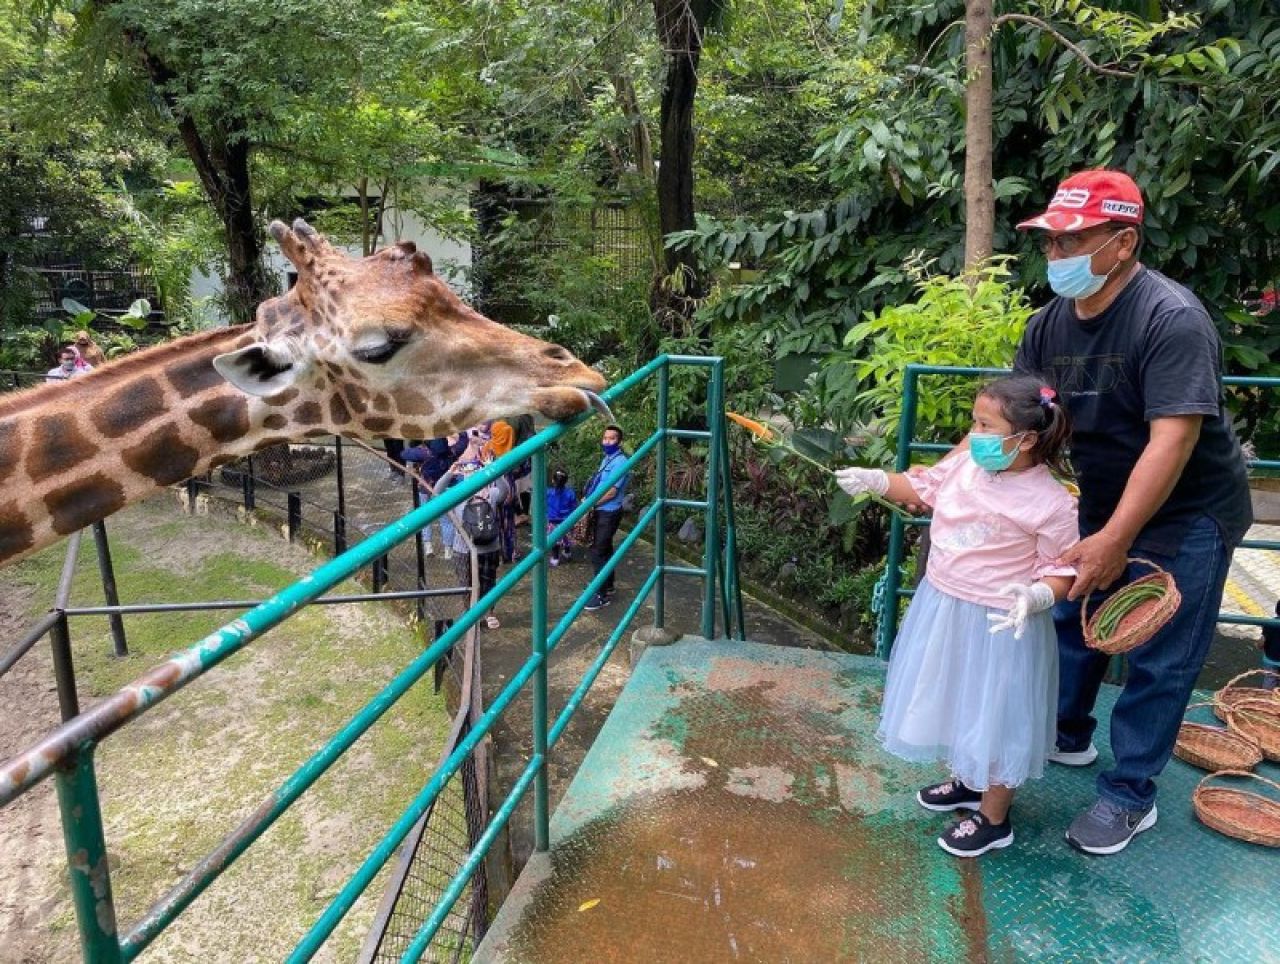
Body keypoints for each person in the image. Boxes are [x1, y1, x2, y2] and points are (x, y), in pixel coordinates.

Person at [1014, 169, 1252, 855]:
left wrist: (1117, 538)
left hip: (1190, 510)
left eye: (1072, 241)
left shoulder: (1171, 318)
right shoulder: (1047, 325)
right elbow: (1024, 418)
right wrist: (957, 484)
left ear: (1122, 243)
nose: (1056, 255)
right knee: (1072, 618)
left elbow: (1172, 440)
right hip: (1102, 496)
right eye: (1049, 242)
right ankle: (1068, 733)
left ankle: (1129, 794)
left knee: (1160, 651)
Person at [836, 375, 1078, 857]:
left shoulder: (1052, 502)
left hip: (1000, 622)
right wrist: (877, 480)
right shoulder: (967, 464)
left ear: (1026, 439)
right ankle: (969, 782)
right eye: (975, 422)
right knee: (957, 699)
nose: (975, 434)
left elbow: (1062, 569)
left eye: (986, 426)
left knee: (997, 715)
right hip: (945, 606)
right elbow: (923, 486)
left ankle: (994, 818)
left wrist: (1035, 597)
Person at [438, 458, 507, 630]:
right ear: (463, 474)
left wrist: (493, 469)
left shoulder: (491, 493)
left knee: (488, 582)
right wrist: (450, 473)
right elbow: (436, 493)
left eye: (474, 470)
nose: (471, 474)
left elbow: (505, 491)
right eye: (468, 471)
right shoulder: (457, 494)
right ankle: (470, 613)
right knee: (465, 583)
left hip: (488, 547)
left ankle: (489, 613)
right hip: (463, 549)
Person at [582, 424, 630, 612]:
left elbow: (611, 492)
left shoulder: (620, 462)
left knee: (597, 551)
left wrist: (591, 504)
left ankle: (601, 594)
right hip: (601, 510)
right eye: (605, 438)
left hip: (608, 512)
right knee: (605, 548)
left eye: (612, 439)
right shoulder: (608, 459)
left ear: (619, 442)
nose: (607, 442)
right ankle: (607, 584)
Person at [404, 434, 469, 556]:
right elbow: (463, 442)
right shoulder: (452, 452)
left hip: (426, 487)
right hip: (443, 489)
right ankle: (448, 550)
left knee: (425, 517)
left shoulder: (423, 454)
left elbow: (404, 453)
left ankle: (428, 546)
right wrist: (461, 431)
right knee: (446, 520)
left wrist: (415, 441)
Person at [546, 467, 578, 567]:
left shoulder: (548, 492)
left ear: (553, 480)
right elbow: (574, 506)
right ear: (566, 481)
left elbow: (544, 505)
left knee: (554, 540)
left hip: (553, 521)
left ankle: (555, 558)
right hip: (567, 521)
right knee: (566, 538)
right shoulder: (570, 493)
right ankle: (567, 553)